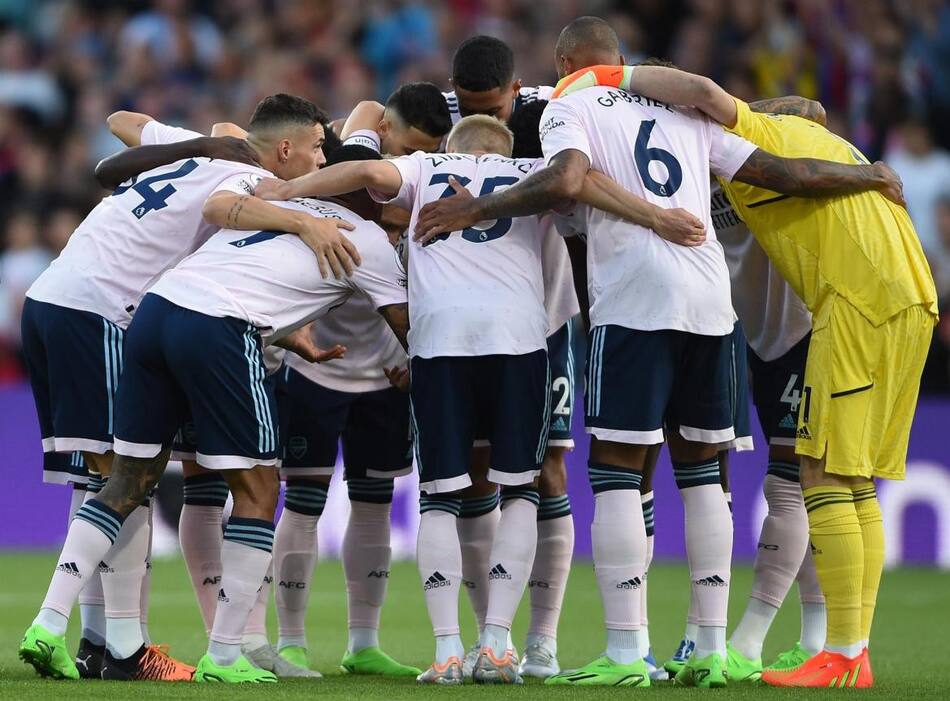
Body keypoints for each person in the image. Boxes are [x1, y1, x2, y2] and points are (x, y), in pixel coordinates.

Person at [414, 16, 906, 689]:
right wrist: (865, 175)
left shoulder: (568, 103)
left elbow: (566, 179)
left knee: (618, 470)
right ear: (625, 60)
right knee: (703, 472)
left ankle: (625, 651)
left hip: (636, 299)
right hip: (709, 301)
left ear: (564, 62)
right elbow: (783, 172)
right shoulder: (686, 110)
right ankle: (709, 643)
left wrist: (473, 209)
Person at [550, 47, 933, 689]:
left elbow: (801, 114)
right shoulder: (695, 136)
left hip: (801, 319)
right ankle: (740, 642)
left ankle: (777, 640)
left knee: (802, 478)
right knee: (774, 478)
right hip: (728, 320)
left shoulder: (712, 129)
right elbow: (794, 124)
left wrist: (604, 79)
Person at [16, 94, 358, 682]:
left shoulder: (203, 153)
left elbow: (117, 121)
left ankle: (95, 641)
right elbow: (237, 216)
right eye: (317, 149)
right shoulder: (253, 178)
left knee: (98, 476)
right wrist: (306, 218)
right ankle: (121, 647)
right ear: (284, 149)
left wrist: (200, 140)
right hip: (104, 309)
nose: (321, 161)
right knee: (129, 477)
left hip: (52, 299)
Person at [443, 35, 553, 124]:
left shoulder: (548, 106)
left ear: (515, 89)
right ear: (454, 88)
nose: (480, 125)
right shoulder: (437, 113)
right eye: (468, 112)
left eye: (492, 112)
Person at [339, 82, 453, 155]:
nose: (420, 163)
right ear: (383, 128)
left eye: (430, 155)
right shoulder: (369, 115)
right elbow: (355, 175)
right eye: (410, 153)